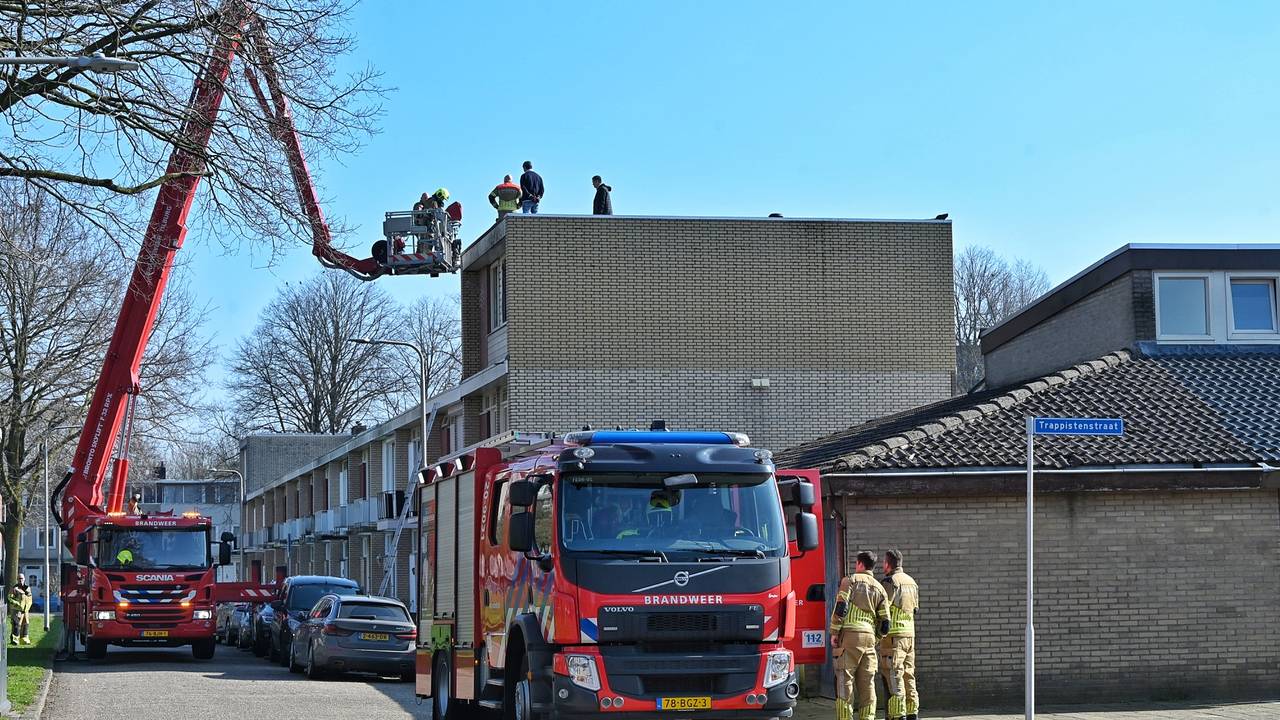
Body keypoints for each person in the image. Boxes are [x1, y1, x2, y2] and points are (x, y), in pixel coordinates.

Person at [830, 551, 889, 720]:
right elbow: (885, 624)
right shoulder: (880, 588)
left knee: (844, 682)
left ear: (861, 564)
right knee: (867, 684)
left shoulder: (850, 581)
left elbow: (841, 607)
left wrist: (834, 632)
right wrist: (875, 638)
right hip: (869, 638)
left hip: (849, 637)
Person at [881, 550, 919, 720]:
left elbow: (883, 609)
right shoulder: (912, 582)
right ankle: (913, 713)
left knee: (893, 674)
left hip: (893, 637)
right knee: (908, 674)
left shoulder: (891, 582)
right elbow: (915, 609)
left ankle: (898, 715)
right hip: (909, 636)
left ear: (888, 564)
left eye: (884, 562)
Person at [8, 576, 32, 645]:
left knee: (25, 623)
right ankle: (15, 639)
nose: (20, 580)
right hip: (17, 610)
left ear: (24, 579)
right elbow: (9, 597)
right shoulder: (14, 588)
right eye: (19, 579)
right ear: (17, 580)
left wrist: (28, 607)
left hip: (25, 611)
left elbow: (30, 598)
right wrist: (16, 603)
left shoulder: (28, 588)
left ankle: (24, 638)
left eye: (22, 579)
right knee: (16, 624)